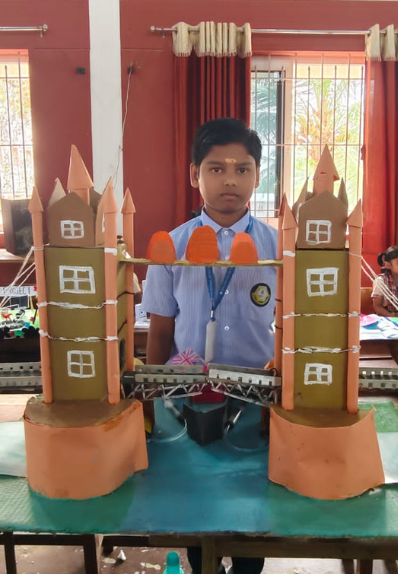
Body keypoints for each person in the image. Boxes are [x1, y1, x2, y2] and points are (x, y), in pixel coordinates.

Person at [142, 118, 273, 574]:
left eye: (242, 168)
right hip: (188, 399)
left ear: (258, 175)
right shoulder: (170, 247)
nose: (230, 180)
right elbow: (161, 332)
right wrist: (153, 401)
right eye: (216, 168)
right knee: (195, 506)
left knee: (254, 510)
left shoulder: (281, 248)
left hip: (259, 400)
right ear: (194, 174)